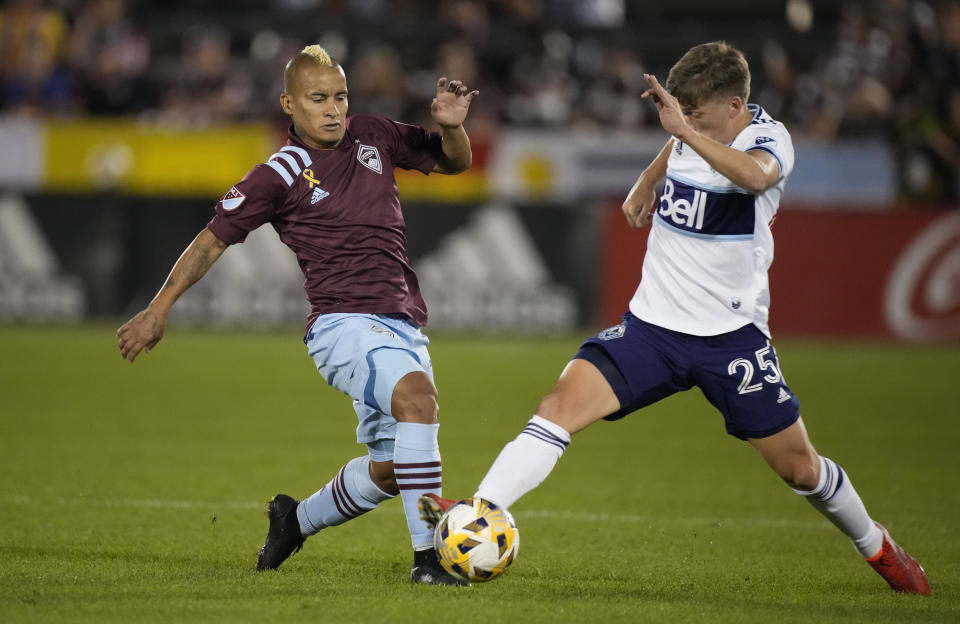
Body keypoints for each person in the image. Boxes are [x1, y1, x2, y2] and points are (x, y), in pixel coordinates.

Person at [420, 41, 930, 595]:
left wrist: (684, 134)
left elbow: (755, 179)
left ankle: (877, 546)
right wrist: (648, 179)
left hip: (730, 341)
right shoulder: (688, 131)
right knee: (557, 406)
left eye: (697, 114)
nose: (684, 123)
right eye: (680, 114)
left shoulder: (768, 140)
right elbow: (678, 142)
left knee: (800, 470)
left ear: (735, 106)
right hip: (652, 329)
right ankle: (480, 509)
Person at [117, 44, 478, 586]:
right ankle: (429, 559)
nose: (333, 108)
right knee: (418, 403)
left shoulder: (374, 134)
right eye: (318, 99)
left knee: (392, 470)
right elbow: (211, 243)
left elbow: (456, 161)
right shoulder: (279, 173)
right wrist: (157, 308)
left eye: (340, 97)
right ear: (289, 103)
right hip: (342, 325)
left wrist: (451, 128)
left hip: (402, 323)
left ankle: (293, 521)